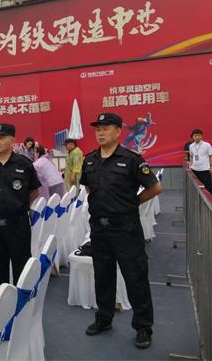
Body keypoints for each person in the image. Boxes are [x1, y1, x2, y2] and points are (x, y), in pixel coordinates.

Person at [80, 113, 161, 349]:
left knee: (135, 277)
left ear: (118, 131)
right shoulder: (90, 160)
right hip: (99, 228)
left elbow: (155, 187)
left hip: (125, 229)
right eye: (98, 129)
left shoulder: (131, 159)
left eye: (106, 128)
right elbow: (88, 187)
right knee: (103, 276)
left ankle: (143, 327)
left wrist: (132, 203)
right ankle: (103, 319)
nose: (100, 132)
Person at [0, 123, 41, 296]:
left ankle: (22, 305)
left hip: (17, 224)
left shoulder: (24, 164)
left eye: (1, 137)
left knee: (21, 267)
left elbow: (34, 191)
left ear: (12, 141)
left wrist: (16, 206)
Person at [188, 129, 212, 194]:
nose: (198, 137)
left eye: (199, 135)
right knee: (196, 188)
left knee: (208, 188)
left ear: (202, 136)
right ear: (192, 137)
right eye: (196, 135)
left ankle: (210, 200)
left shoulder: (207, 145)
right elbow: (191, 156)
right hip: (194, 170)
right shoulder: (191, 146)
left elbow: (211, 156)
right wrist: (190, 166)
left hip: (205, 170)